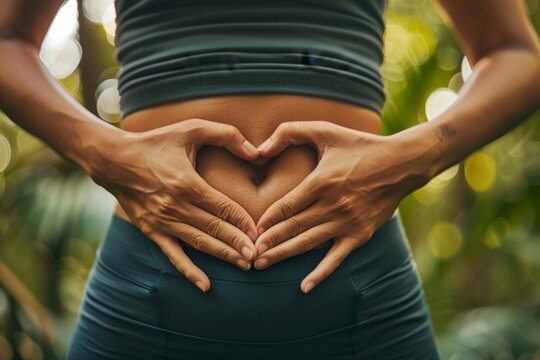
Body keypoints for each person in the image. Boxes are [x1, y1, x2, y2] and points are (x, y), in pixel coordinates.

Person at [1, 0, 539, 358]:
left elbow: (515, 55)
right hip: (145, 299)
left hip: (363, 302)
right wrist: (108, 157)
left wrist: (408, 161)